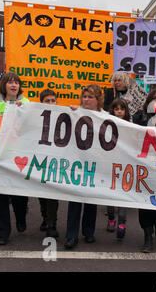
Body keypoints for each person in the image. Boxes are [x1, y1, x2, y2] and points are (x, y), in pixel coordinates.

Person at [0, 72, 30, 245]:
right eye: (10, 82)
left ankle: (21, 218)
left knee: (19, 198)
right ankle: (2, 233)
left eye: (17, 82)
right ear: (4, 86)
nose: (14, 85)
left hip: (18, 160)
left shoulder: (27, 105)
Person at [132, 87, 156, 253]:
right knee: (146, 202)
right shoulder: (140, 117)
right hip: (146, 166)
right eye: (154, 98)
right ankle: (148, 236)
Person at [64, 84, 104, 249]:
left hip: (95, 164)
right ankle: (71, 235)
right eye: (84, 96)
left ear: (98, 100)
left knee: (91, 201)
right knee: (74, 201)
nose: (86, 100)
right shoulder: (74, 113)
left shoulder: (105, 117)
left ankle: (89, 232)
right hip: (76, 163)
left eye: (90, 97)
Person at [106, 98, 131, 239]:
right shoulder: (108, 124)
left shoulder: (131, 125)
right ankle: (111, 219)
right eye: (117, 109)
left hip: (125, 166)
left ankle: (122, 223)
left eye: (122, 109)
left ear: (126, 111)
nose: (119, 111)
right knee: (109, 195)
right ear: (113, 110)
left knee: (123, 195)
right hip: (110, 165)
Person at [38, 89, 60, 238]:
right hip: (39, 160)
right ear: (41, 103)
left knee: (52, 194)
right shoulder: (36, 117)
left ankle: (52, 223)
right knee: (41, 194)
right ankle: (45, 216)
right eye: (47, 101)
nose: (51, 103)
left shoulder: (63, 116)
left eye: (53, 100)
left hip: (55, 161)